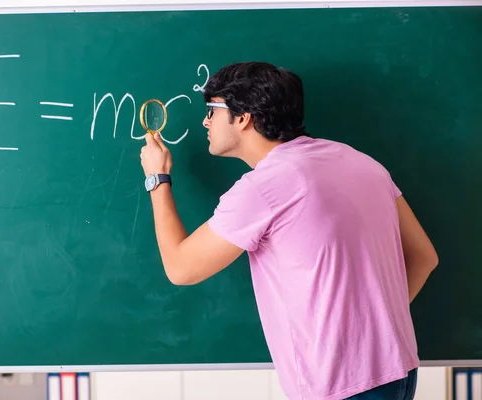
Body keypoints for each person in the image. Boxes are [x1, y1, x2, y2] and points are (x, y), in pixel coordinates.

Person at [138, 62, 438, 400]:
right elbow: (424, 257)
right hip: (399, 370)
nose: (205, 121)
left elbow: (181, 268)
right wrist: (372, 329)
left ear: (242, 117)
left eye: (212, 109)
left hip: (340, 385)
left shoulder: (264, 187)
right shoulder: (363, 163)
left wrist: (157, 178)